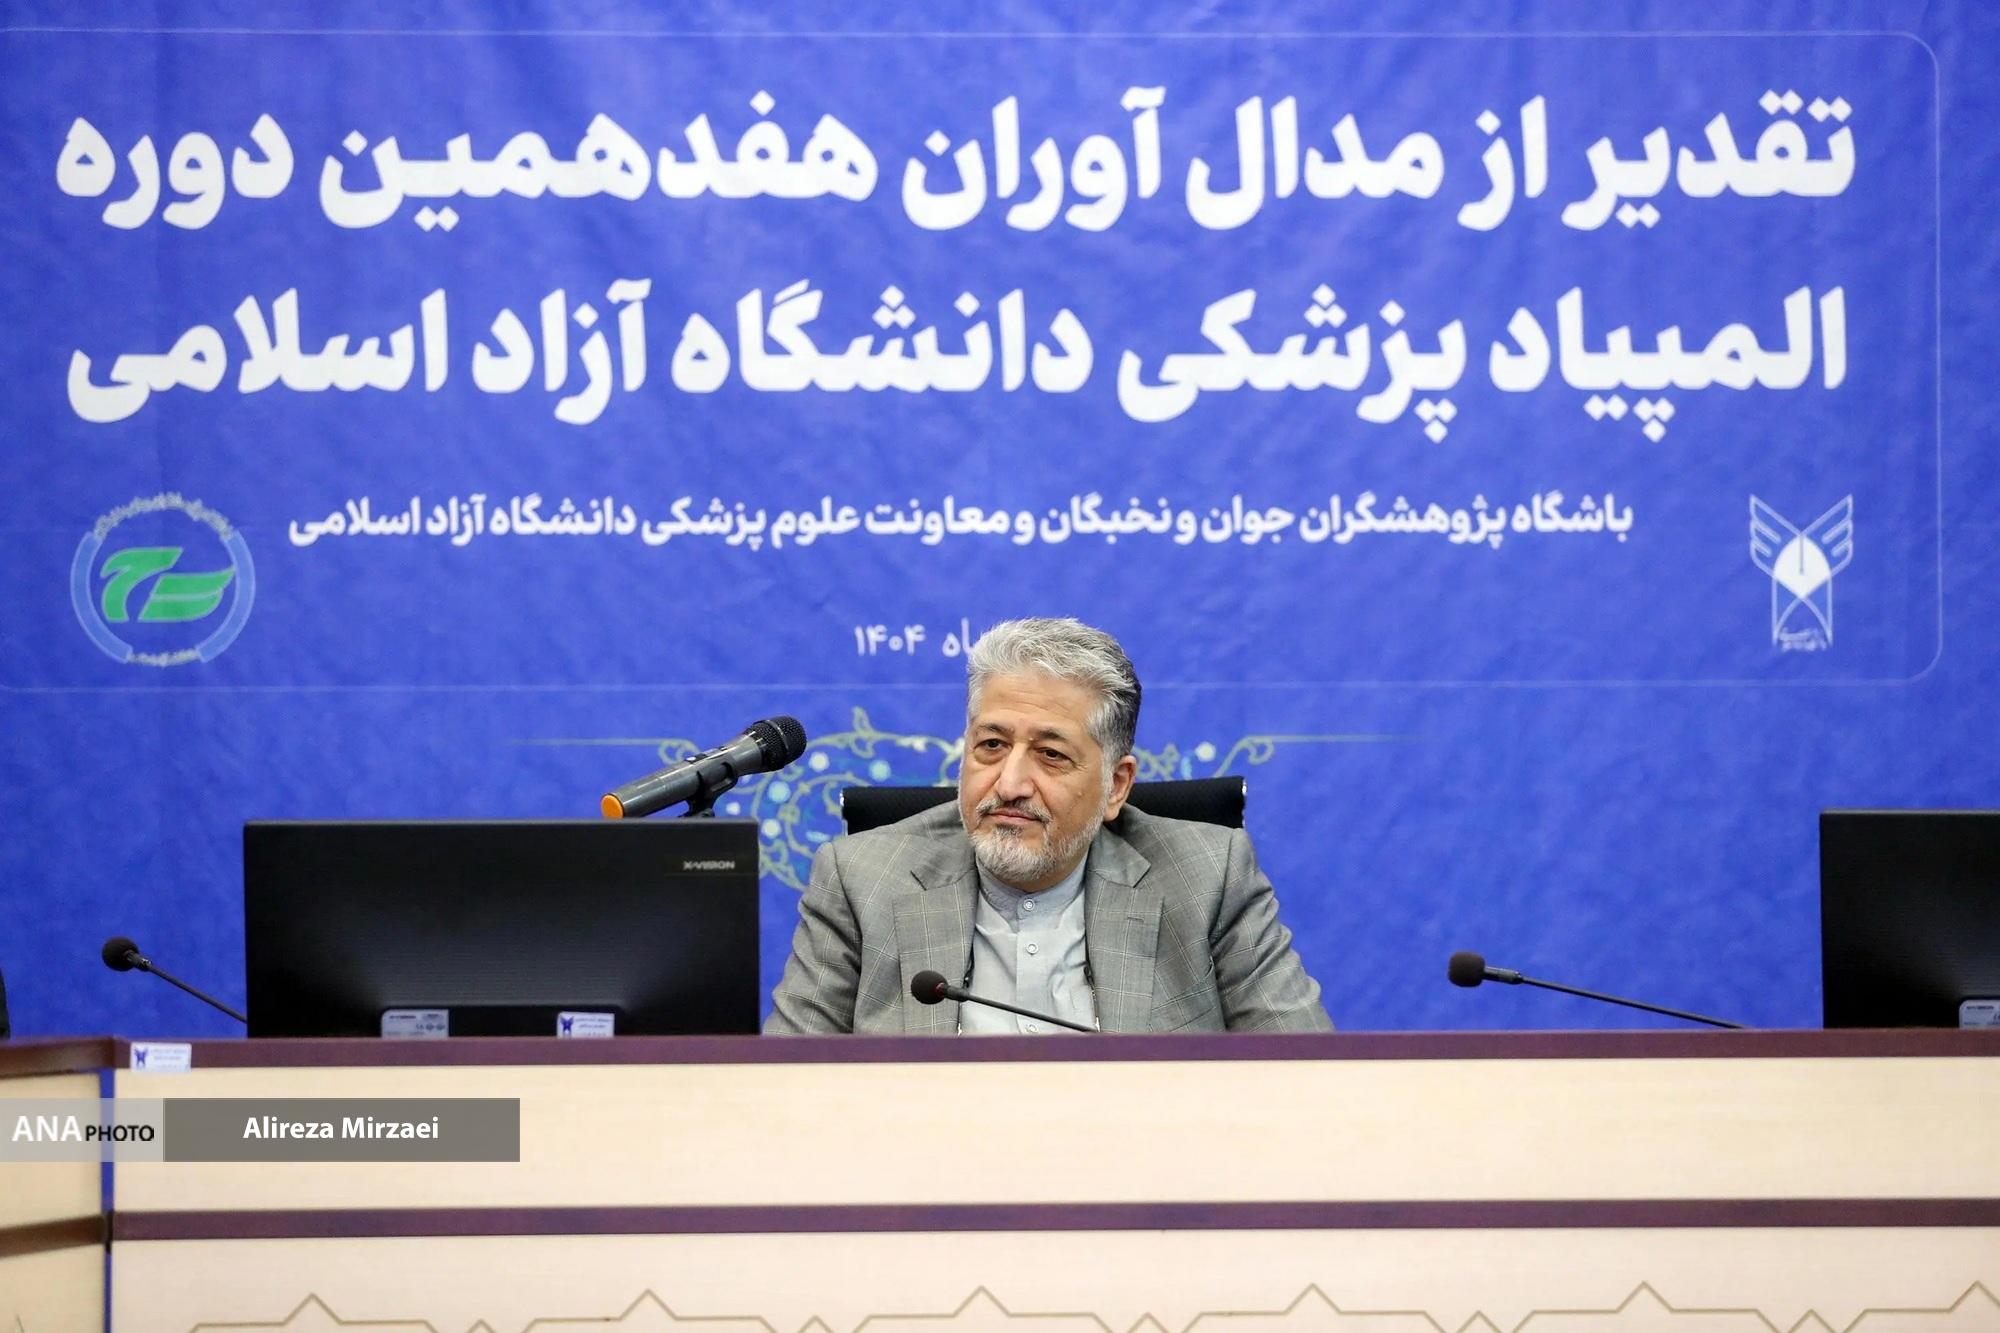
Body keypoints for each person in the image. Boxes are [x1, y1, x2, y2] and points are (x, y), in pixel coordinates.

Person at [767, 617, 1331, 1034]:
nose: (1010, 783)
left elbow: (1305, 1077)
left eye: (1051, 755)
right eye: (992, 745)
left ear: (1116, 786)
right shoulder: (861, 879)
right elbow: (787, 1090)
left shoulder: (1208, 878)